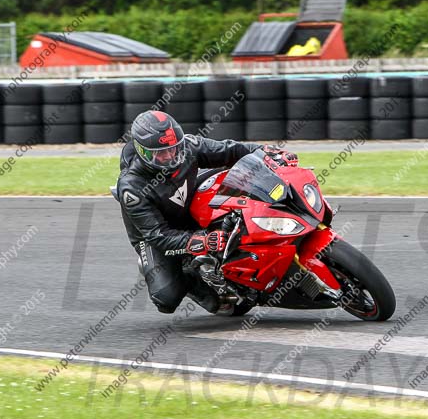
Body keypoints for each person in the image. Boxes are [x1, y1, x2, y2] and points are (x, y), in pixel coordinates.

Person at [117, 110, 297, 314]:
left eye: (173, 149)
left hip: (189, 201)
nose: (169, 156)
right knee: (166, 298)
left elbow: (231, 150)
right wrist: (202, 241)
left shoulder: (188, 147)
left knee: (235, 192)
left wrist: (266, 153)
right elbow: (158, 235)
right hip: (155, 235)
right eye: (160, 153)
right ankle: (191, 275)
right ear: (143, 152)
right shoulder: (131, 187)